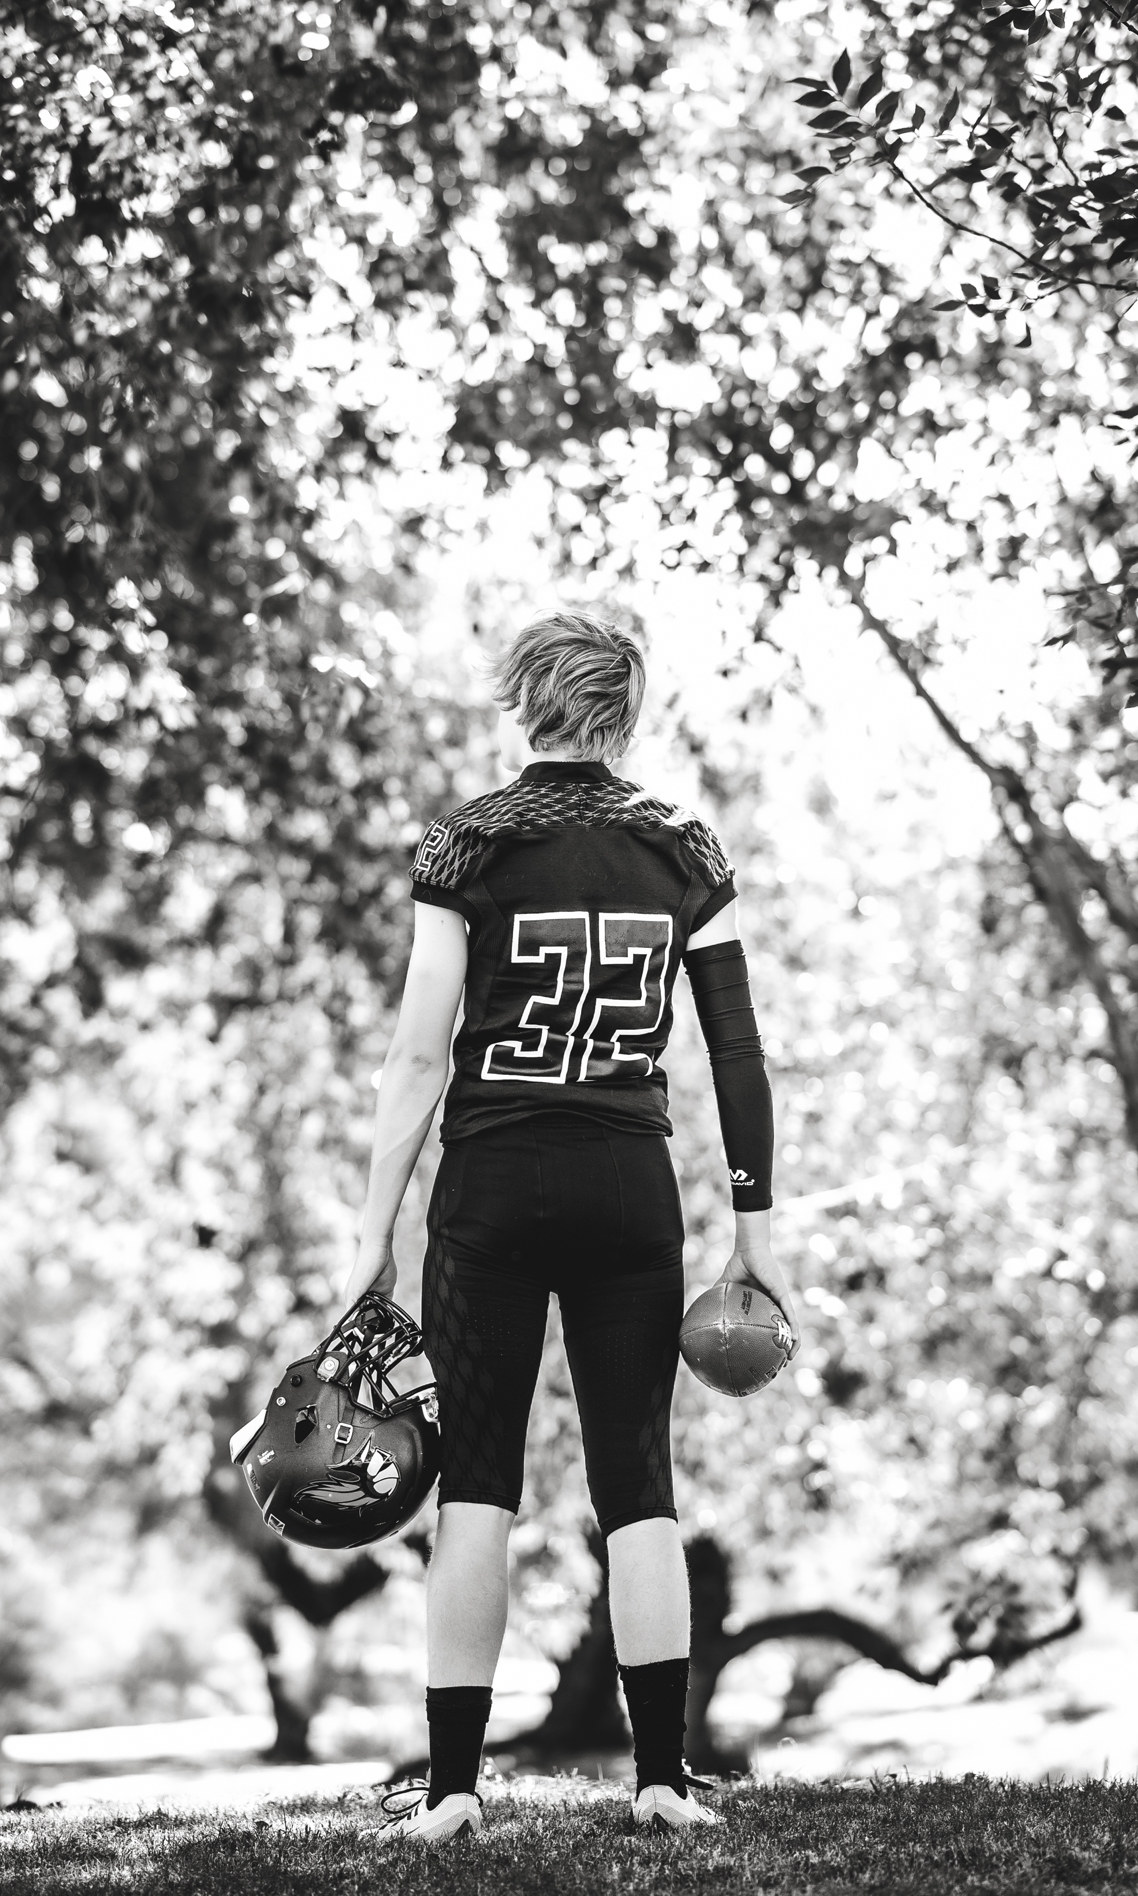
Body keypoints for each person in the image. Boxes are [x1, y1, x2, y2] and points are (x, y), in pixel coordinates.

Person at [341, 609, 798, 1843]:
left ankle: (450, 1791)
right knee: (637, 1481)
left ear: (523, 698)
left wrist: (373, 1228)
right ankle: (659, 1775)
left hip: (489, 1190)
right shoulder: (683, 850)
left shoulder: (467, 844)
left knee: (477, 1489)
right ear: (624, 708)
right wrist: (754, 1229)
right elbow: (739, 1053)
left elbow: (416, 1050)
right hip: (624, 1188)